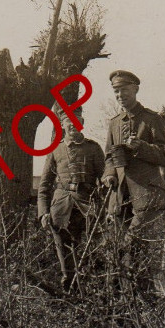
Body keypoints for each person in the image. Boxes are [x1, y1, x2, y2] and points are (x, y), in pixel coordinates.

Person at [102, 70, 165, 240]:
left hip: (147, 195)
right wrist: (109, 175)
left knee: (131, 242)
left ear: (135, 90)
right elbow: (109, 157)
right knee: (121, 248)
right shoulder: (114, 123)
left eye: (124, 90)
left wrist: (140, 147)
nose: (120, 95)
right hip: (120, 195)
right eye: (116, 91)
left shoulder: (152, 119)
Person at [37, 109, 106, 292]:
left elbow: (105, 179)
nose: (73, 125)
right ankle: (68, 285)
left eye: (77, 121)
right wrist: (43, 212)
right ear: (62, 124)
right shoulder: (55, 150)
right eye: (69, 122)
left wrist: (105, 208)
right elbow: (44, 185)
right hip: (61, 205)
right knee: (63, 246)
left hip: (86, 204)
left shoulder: (93, 148)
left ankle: (91, 286)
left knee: (90, 247)